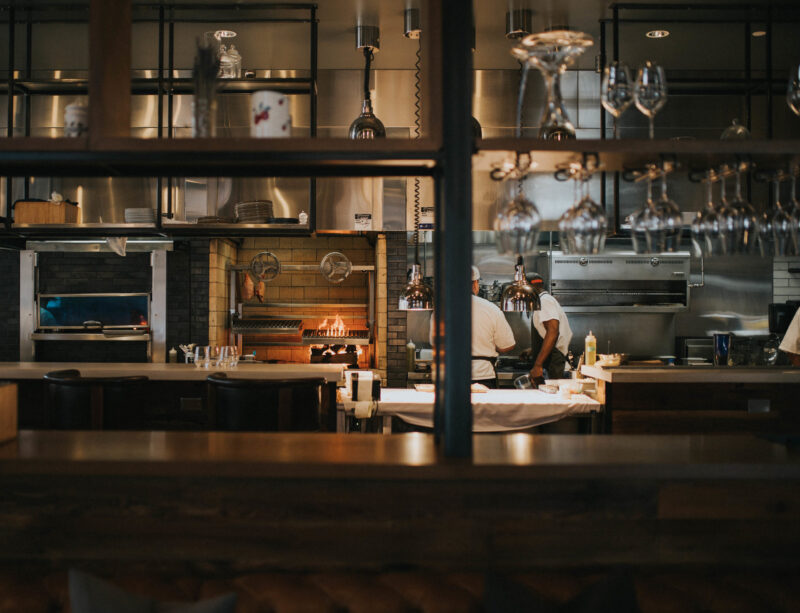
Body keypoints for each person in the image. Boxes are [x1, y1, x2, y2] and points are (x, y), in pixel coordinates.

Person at [430, 265, 516, 387]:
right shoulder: (492, 309)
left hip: (452, 375)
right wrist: (488, 345)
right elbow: (507, 345)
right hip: (483, 376)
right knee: (484, 407)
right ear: (475, 284)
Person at [526, 273, 572, 381]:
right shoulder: (542, 300)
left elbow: (553, 332)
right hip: (552, 364)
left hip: (555, 367)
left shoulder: (544, 301)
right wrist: (533, 350)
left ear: (528, 287)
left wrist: (538, 365)